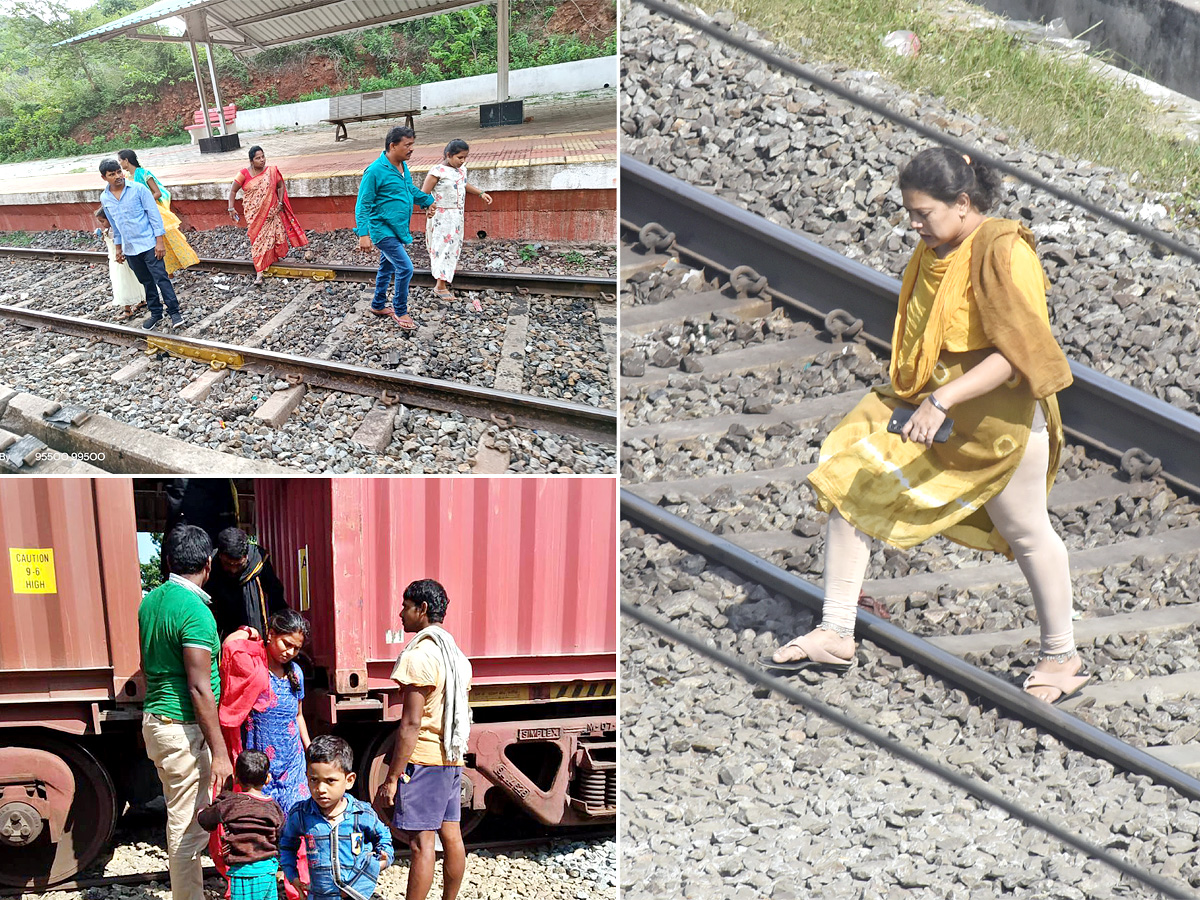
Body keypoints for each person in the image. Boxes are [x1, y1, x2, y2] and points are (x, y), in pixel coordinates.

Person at [767, 147, 1086, 705]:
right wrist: (931, 402)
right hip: (930, 411)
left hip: (996, 424)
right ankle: (836, 631)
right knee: (852, 482)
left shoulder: (1006, 253)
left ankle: (1062, 658)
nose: (912, 224)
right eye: (909, 212)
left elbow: (1019, 355)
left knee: (1028, 531)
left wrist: (942, 399)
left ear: (963, 203)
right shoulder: (936, 247)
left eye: (923, 213)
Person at [139, 524, 233, 900]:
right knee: (186, 829)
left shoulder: (151, 601)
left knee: (182, 819)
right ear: (208, 564)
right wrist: (222, 752)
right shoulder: (195, 611)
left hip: (158, 721)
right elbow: (198, 687)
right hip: (181, 728)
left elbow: (150, 666)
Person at [374, 579, 472, 900]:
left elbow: (411, 723)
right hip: (452, 757)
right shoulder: (456, 654)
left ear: (423, 609)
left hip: (425, 761)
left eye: (405, 606)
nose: (401, 613)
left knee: (421, 844)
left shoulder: (421, 655)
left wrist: (391, 779)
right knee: (452, 836)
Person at [280, 736, 394, 900]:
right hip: (320, 896)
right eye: (314, 780)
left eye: (330, 781)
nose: (320, 789)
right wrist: (292, 875)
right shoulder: (302, 814)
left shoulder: (362, 814)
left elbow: (383, 837)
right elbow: (287, 844)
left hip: (357, 895)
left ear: (349, 780)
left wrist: (383, 859)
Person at [355, 125, 435, 332]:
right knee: (405, 268)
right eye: (407, 145)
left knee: (387, 267)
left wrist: (427, 201)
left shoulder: (402, 167)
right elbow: (362, 204)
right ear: (393, 145)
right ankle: (400, 310)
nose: (411, 149)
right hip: (382, 230)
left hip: (397, 228)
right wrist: (363, 234)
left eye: (412, 145)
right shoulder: (374, 171)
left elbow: (409, 189)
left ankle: (378, 304)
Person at [98, 158, 185, 330]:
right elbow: (115, 225)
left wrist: (159, 242)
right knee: (145, 281)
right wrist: (118, 248)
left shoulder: (138, 190)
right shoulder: (105, 197)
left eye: (118, 172)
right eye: (112, 174)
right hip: (130, 248)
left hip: (148, 243)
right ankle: (156, 313)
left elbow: (154, 215)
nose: (117, 176)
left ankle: (175, 313)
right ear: (104, 178)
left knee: (161, 278)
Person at [197, 750, 286, 900]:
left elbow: (206, 820)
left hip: (242, 872)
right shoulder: (273, 807)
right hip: (268, 870)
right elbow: (281, 833)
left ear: (236, 778)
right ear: (267, 779)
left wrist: (202, 810)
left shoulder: (229, 804)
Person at [420, 139, 492, 312]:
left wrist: (480, 193)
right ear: (448, 155)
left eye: (465, 157)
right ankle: (440, 285)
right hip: (441, 216)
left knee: (452, 249)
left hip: (456, 216)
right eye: (459, 157)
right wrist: (428, 207)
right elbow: (423, 194)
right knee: (442, 249)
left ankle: (444, 280)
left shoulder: (460, 170)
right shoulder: (437, 172)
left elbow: (462, 183)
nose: (462, 161)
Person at [227, 145, 309, 284]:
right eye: (258, 158)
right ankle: (259, 272)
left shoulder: (271, 171)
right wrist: (230, 207)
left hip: (272, 212)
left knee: (273, 235)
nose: (262, 160)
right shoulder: (243, 174)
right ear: (251, 161)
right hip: (254, 214)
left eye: (263, 156)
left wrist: (281, 203)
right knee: (258, 240)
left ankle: (272, 260)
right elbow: (233, 190)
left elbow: (280, 186)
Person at [117, 149, 200, 277]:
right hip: (138, 214)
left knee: (166, 240)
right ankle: (164, 272)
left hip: (152, 210)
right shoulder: (127, 178)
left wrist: (144, 202)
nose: (119, 163)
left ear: (126, 160)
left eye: (120, 160)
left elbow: (158, 193)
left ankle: (170, 271)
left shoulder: (144, 174)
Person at [207, 527, 288, 639]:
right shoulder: (211, 567)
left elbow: (276, 598)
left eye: (239, 565)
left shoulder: (259, 563)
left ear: (246, 556)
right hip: (222, 632)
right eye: (228, 564)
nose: (233, 570)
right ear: (220, 556)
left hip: (256, 631)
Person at [94, 207, 143, 317]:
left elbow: (115, 241)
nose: (102, 224)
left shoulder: (115, 231)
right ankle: (141, 300)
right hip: (119, 261)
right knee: (133, 280)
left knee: (123, 284)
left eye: (103, 221)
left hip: (119, 262)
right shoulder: (109, 230)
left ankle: (127, 309)